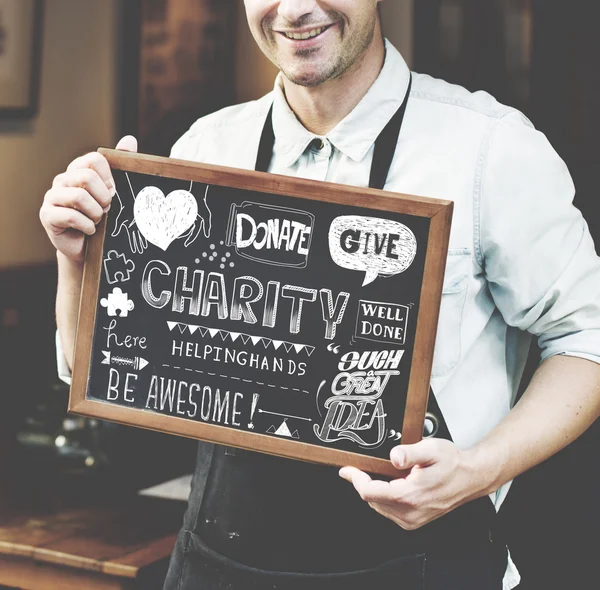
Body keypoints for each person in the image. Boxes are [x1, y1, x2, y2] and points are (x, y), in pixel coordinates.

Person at [40, 1, 600, 589]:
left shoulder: (490, 148)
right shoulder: (204, 150)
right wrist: (73, 258)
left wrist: (479, 471)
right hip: (220, 567)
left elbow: (587, 339)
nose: (297, 8)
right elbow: (99, 369)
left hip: (427, 568)